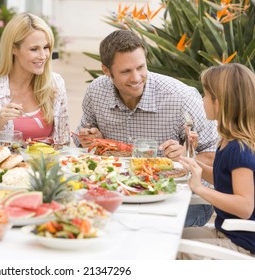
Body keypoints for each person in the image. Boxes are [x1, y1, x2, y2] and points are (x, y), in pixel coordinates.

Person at [72, 30, 219, 227]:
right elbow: (80, 140)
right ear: (106, 71)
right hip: (120, 192)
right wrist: (91, 138)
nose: (136, 78)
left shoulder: (181, 97)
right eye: (126, 71)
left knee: (135, 229)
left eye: (141, 67)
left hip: (183, 200)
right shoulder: (96, 92)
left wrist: (187, 155)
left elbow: (215, 156)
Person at [178, 63, 255, 258]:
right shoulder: (228, 140)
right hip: (227, 233)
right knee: (165, 238)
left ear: (219, 102)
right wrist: (192, 161)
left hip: (242, 246)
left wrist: (200, 188)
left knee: (168, 253)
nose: (202, 100)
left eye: (205, 95)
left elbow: (245, 206)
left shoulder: (240, 149)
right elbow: (223, 179)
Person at [0, 12, 70, 148]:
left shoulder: (55, 83)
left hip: (44, 167)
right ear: (14, 49)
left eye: (46, 47)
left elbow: (63, 143)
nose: (43, 55)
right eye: (34, 49)